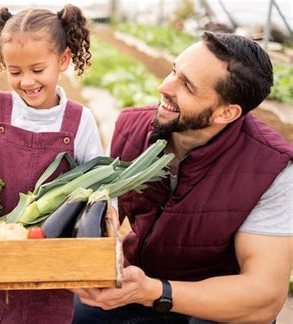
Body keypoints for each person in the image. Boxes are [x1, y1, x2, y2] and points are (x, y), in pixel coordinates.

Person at [73, 32, 293, 323]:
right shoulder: (131, 128)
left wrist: (155, 291)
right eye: (174, 71)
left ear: (226, 113)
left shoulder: (272, 169)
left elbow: (264, 297)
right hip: (137, 284)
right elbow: (108, 218)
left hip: (214, 306)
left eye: (186, 85)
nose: (163, 86)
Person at [0, 4, 103, 323]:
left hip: (52, 264)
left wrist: (108, 217)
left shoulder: (79, 121)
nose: (26, 81)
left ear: (64, 60)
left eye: (38, 69)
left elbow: (100, 184)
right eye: (15, 72)